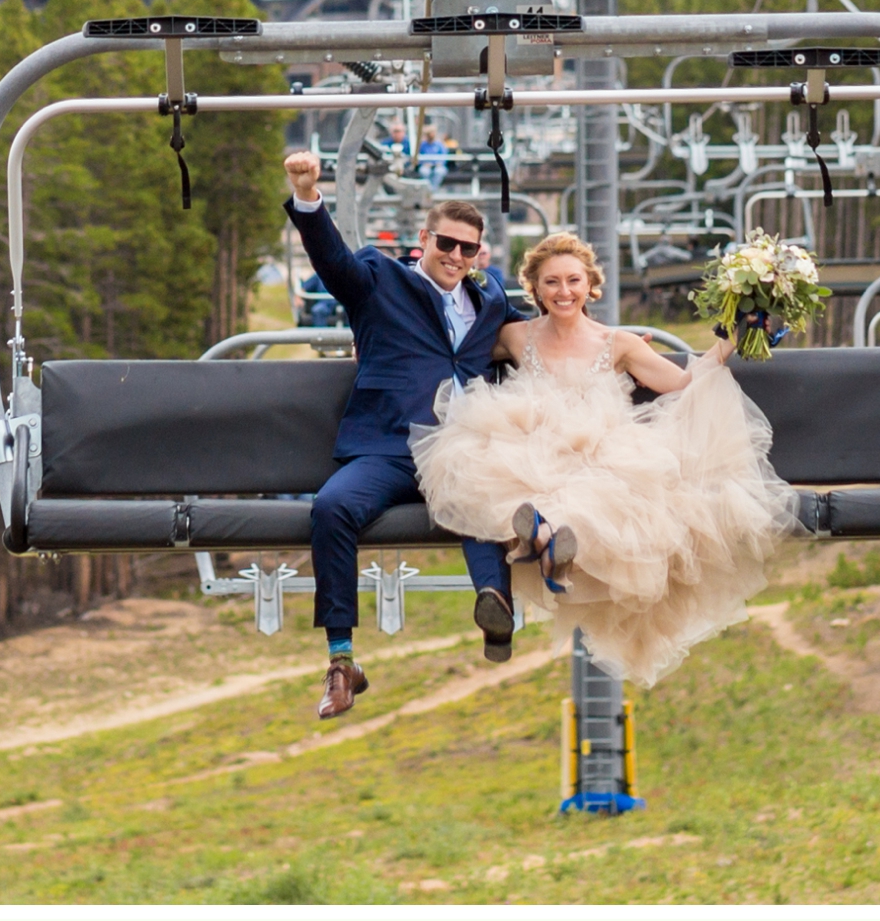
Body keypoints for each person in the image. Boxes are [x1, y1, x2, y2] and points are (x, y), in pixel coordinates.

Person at [411, 233, 796, 687]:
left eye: (573, 281)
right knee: (481, 463)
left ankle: (546, 540)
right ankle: (547, 544)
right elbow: (450, 351)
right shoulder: (515, 336)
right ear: (534, 289)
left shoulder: (619, 343)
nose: (563, 292)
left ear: (590, 285)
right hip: (529, 442)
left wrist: (735, 335)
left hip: (598, 450)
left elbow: (683, 383)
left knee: (603, 492)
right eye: (551, 282)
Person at [282, 151, 528, 719]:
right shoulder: (379, 279)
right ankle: (341, 660)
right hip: (391, 448)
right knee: (332, 507)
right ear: (424, 239)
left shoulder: (490, 297)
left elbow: (548, 335)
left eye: (468, 249)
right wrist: (308, 197)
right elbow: (333, 263)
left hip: (462, 448)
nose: (456, 257)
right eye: (447, 244)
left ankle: (495, 608)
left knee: (484, 493)